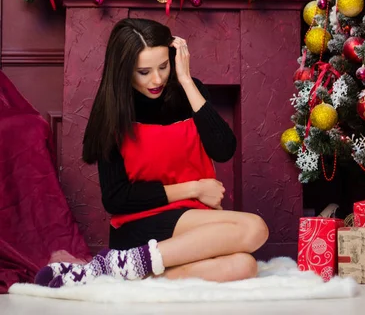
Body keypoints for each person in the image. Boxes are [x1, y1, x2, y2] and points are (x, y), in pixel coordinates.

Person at [35, 18, 268, 287]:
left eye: (163, 66)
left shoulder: (190, 92)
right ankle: (127, 261)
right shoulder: (113, 110)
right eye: (144, 72)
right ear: (124, 70)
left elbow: (224, 149)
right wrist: (193, 188)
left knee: (244, 266)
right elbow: (116, 198)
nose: (156, 79)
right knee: (254, 228)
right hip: (138, 226)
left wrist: (185, 81)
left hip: (193, 222)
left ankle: (118, 272)